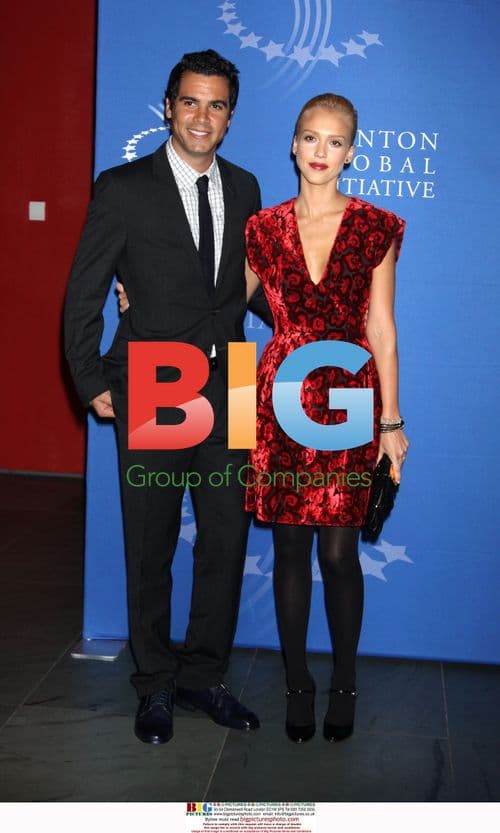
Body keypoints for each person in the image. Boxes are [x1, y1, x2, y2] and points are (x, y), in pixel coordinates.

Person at [64, 49, 272, 745]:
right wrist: (90, 378)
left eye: (216, 104)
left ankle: (203, 676)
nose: (201, 116)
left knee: (226, 538)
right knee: (151, 541)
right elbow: (86, 289)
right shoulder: (122, 187)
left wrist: (317, 312)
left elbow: (256, 286)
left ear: (231, 116)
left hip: (232, 380)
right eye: (190, 101)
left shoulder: (245, 187)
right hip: (156, 378)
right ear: (167, 107)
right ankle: (153, 683)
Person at [244, 93, 409, 743]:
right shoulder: (261, 229)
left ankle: (343, 679)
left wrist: (392, 425)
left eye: (334, 141)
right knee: (289, 548)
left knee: (339, 552)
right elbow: (226, 313)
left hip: (348, 398)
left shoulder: (375, 227)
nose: (320, 152)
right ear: (292, 144)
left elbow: (382, 329)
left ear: (351, 151)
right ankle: (297, 682)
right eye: (310, 138)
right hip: (279, 402)